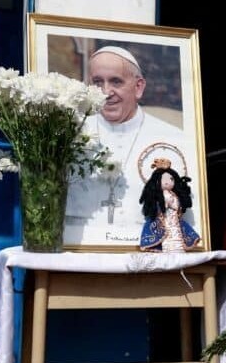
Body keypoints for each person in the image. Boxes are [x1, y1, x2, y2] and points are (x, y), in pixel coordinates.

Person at [64, 45, 188, 239]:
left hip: (145, 252)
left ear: (138, 87)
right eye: (97, 82)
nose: (106, 91)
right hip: (79, 251)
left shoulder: (172, 138)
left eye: (116, 81)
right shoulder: (70, 133)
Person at [138, 158, 202, 252]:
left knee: (177, 236)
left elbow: (177, 206)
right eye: (163, 179)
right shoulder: (160, 195)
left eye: (171, 179)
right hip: (164, 221)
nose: (168, 182)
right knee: (167, 239)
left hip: (174, 220)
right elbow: (161, 206)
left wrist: (175, 204)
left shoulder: (174, 194)